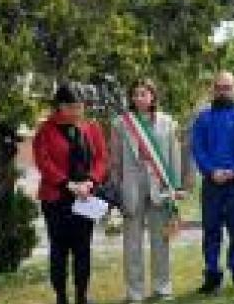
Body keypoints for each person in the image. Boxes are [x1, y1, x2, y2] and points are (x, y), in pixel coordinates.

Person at [110, 79, 186, 302]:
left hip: (160, 186)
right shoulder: (120, 123)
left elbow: (174, 156)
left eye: (144, 94)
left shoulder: (168, 122)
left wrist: (176, 186)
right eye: (135, 94)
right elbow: (115, 160)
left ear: (153, 96)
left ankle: (162, 288)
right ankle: (134, 292)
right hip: (131, 186)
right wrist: (115, 189)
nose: (139, 98)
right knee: (132, 243)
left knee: (160, 241)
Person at [33, 83, 109, 304]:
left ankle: (82, 296)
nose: (79, 111)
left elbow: (102, 159)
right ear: (60, 107)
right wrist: (68, 184)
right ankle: (61, 297)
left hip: (86, 198)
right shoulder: (45, 131)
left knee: (83, 248)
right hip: (56, 199)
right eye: (73, 107)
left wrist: (91, 181)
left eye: (81, 107)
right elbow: (43, 163)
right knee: (59, 250)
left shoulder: (91, 128)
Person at [191, 71, 234, 295]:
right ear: (213, 89)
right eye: (219, 87)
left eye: (227, 87)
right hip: (212, 184)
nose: (222, 91)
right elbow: (198, 148)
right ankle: (211, 276)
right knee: (211, 232)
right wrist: (211, 171)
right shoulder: (203, 118)